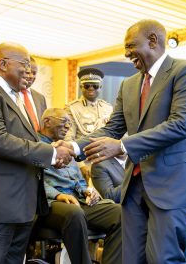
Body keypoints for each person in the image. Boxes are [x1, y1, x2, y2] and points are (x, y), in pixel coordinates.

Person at [57, 19, 186, 263]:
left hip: (172, 183)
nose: (126, 53)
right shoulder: (129, 84)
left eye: (130, 46)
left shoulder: (185, 71)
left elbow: (181, 124)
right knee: (131, 259)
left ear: (153, 41)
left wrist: (123, 146)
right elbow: (113, 127)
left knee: (163, 258)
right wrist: (72, 147)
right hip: (135, 187)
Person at [0, 42, 74, 264]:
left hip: (21, 205)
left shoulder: (17, 97)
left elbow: (27, 142)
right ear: (3, 63)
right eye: (24, 64)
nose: (29, 71)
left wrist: (52, 156)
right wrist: (50, 153)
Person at [38, 108, 122, 264]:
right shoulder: (35, 146)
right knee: (74, 213)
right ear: (47, 121)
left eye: (69, 123)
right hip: (51, 203)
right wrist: (58, 195)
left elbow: (79, 181)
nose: (68, 126)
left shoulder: (68, 148)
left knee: (119, 213)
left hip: (78, 200)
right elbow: (33, 180)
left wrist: (88, 191)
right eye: (64, 122)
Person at [65, 68, 113, 181]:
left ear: (100, 87)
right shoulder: (71, 108)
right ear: (81, 87)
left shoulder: (108, 107)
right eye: (87, 85)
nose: (91, 88)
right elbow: (68, 139)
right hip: (84, 162)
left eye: (95, 85)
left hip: (107, 160)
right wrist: (80, 165)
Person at [21, 56, 47, 130]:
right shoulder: (11, 94)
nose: (31, 76)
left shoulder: (40, 98)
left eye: (34, 73)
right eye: (28, 72)